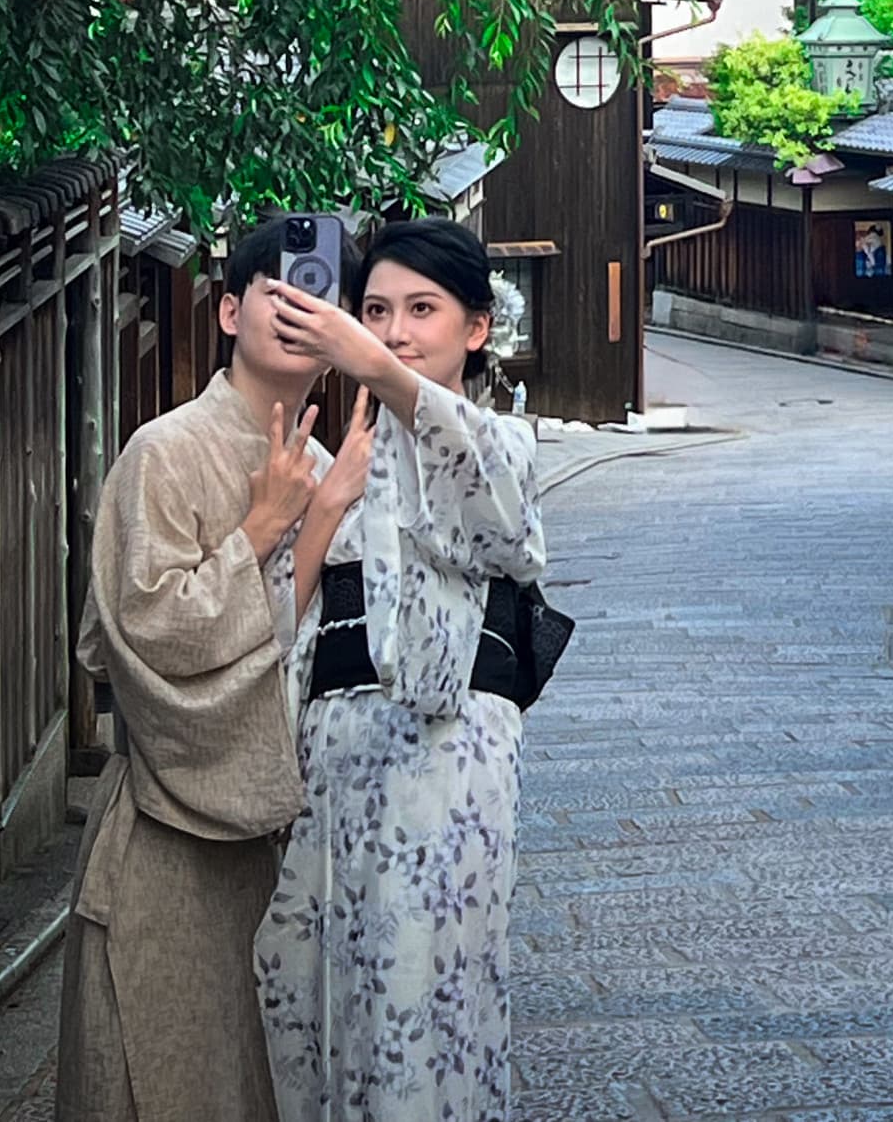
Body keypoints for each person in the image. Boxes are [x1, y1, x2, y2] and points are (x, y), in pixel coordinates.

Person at [55, 218, 372, 1122]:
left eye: (324, 293)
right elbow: (141, 642)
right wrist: (269, 529)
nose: (301, 305)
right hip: (171, 852)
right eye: (280, 286)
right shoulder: (164, 450)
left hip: (292, 861)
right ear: (230, 310)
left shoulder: (331, 468)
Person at [253, 217, 546, 1122]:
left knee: (423, 995)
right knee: (300, 980)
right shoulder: (312, 458)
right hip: (327, 753)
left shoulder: (498, 441)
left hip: (445, 756)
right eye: (376, 309)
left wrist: (376, 369)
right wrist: (316, 503)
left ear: (477, 327)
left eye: (423, 308)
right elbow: (267, 621)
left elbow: (504, 527)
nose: (395, 328)